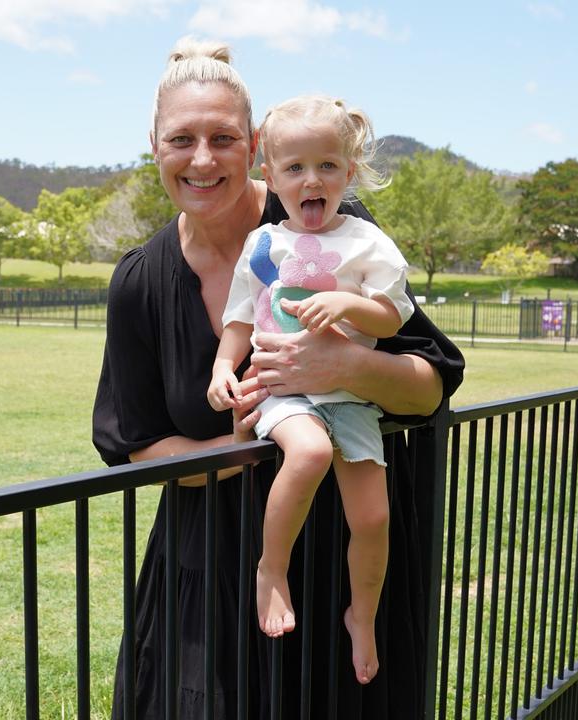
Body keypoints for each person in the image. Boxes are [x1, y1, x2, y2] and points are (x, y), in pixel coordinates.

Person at [93, 37, 464, 719]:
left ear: (255, 145)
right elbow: (140, 444)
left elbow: (430, 386)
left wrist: (348, 366)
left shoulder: (332, 228)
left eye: (222, 138)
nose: (202, 159)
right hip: (205, 580)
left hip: (336, 568)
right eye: (182, 139)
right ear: (154, 146)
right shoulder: (139, 283)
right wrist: (242, 453)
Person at [207, 95, 410, 686]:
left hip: (348, 395)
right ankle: (272, 569)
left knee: (372, 517)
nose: (311, 180)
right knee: (311, 452)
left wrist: (350, 304)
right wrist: (224, 368)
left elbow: (392, 315)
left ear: (348, 172)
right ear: (271, 177)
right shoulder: (263, 243)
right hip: (282, 388)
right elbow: (242, 317)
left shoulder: (367, 242)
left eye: (326, 166)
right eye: (294, 168)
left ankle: (362, 614)